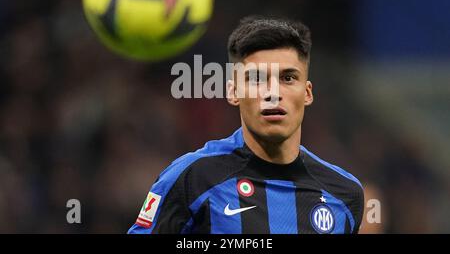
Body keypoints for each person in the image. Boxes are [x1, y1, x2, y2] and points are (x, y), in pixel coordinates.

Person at [128, 16, 364, 234]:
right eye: (257, 79)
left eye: (288, 78)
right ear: (233, 92)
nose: (273, 93)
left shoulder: (344, 193)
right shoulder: (192, 179)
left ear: (307, 93)